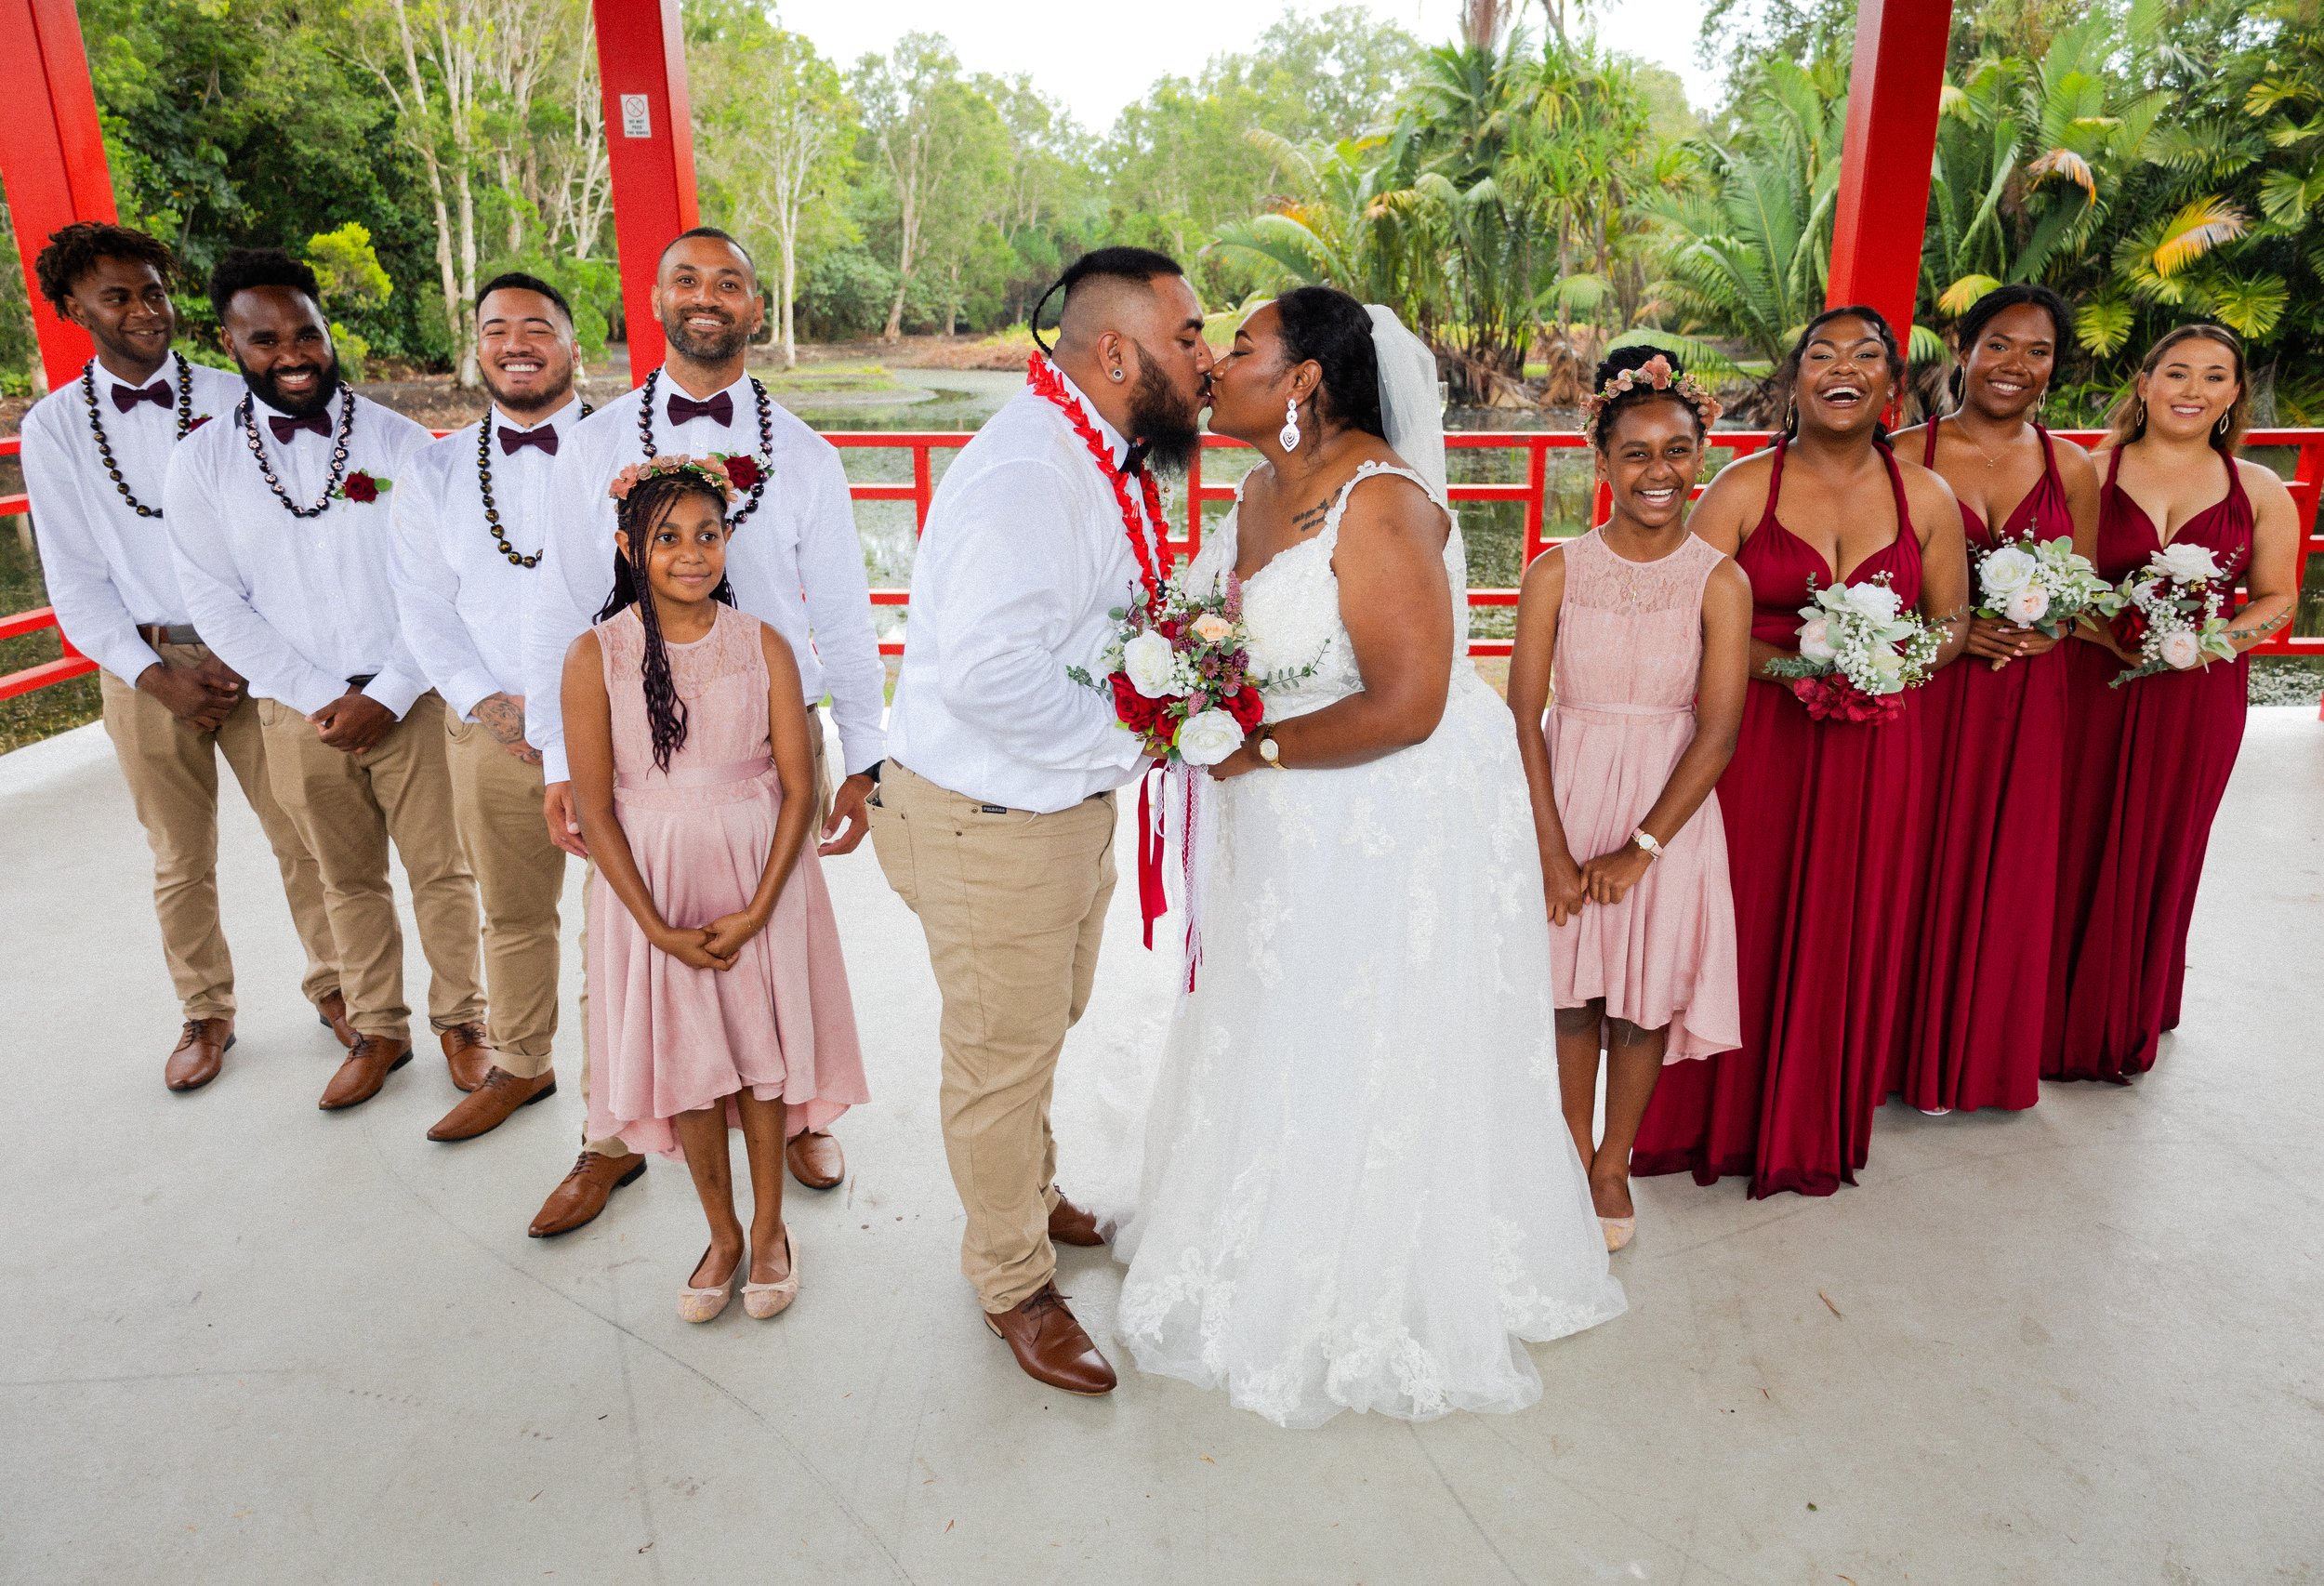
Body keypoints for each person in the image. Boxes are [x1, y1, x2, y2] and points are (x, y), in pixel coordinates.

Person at [1111, 286, 1626, 1428]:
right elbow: (1214, 635)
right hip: (1273, 815)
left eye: (1239, 345)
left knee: (1359, 1021)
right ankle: (1258, 1208)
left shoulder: (1381, 504)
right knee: (1272, 1011)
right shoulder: (1253, 490)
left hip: (1376, 814)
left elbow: (1409, 704)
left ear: (1302, 380)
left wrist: (1249, 747)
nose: (1214, 362)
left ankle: (1360, 1257)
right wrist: (1180, 700)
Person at [866, 246, 1212, 1396]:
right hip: (991, 820)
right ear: (1115, 354)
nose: (1206, 360)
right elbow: (985, 675)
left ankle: (1029, 1190)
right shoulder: (1028, 472)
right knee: (999, 1058)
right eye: (1188, 338)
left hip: (1052, 804)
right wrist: (1141, 735)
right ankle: (1011, 1278)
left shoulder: (1091, 451)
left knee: (1037, 1027)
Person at [522, 228, 885, 1237]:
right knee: (634, 939)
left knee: (778, 934)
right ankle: (612, 1136)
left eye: (730, 283)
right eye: (686, 278)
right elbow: (556, 606)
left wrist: (865, 756)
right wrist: (556, 757)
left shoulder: (805, 454)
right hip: (634, 740)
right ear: (656, 298)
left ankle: (797, 1108)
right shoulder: (592, 445)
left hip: (768, 735)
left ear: (756, 308)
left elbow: (844, 613)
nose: (707, 296)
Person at [1630, 306, 1969, 1197]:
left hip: (1876, 747)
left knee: (1848, 923)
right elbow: (1683, 616)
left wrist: (1888, 665)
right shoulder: (1742, 488)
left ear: (1892, 385)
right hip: (1757, 744)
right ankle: (1705, 1120)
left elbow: (1952, 622)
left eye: (1865, 355)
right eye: (1822, 354)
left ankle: (1812, 1123)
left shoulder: (1927, 498)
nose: (1842, 367)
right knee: (1738, 914)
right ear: (1796, 381)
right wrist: (1797, 669)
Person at [20, 222, 346, 1091]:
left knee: (302, 833)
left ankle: (339, 986)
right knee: (179, 856)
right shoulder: (55, 428)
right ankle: (206, 1010)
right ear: (74, 309)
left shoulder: (236, 393)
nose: (144, 310)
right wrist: (156, 676)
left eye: (154, 292)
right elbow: (74, 578)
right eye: (118, 297)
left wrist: (246, 645)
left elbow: (285, 531)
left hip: (255, 655)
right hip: (144, 662)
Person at [165, 247, 487, 1112]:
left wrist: (387, 691)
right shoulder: (200, 463)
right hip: (297, 711)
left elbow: (444, 584)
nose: (293, 354)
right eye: (265, 340)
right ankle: (379, 1030)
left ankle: (464, 1021)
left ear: (327, 330)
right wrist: (319, 696)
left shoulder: (403, 445)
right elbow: (216, 604)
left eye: (306, 333)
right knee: (342, 878)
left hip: (410, 696)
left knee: (443, 870)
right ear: (230, 345)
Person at [561, 456, 867, 1322]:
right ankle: (722, 1234)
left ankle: (770, 1230)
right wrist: (655, 928)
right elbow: (594, 808)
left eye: (708, 533)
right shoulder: (594, 656)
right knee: (690, 1060)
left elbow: (799, 789)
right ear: (629, 547)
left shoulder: (762, 644)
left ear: (730, 540)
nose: (691, 553)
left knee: (760, 1055)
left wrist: (762, 908)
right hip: (654, 888)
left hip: (756, 874)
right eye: (667, 537)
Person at [1508, 345, 1749, 1253]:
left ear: (1701, 454)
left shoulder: (1720, 579)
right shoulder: (1555, 570)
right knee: (1569, 991)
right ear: (1601, 460)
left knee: (1641, 998)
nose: (1659, 471)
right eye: (1637, 452)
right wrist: (1552, 849)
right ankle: (1570, 1150)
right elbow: (1522, 713)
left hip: (1667, 810)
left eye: (1677, 450)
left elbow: (1717, 733)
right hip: (1567, 795)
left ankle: (1614, 1161)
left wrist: (1640, 846)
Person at [2047, 324, 2299, 1082]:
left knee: (2164, 844)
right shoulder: (2086, 474)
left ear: (2234, 394)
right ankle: (2049, 1013)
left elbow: (2279, 598)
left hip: (2198, 698)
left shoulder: (2258, 489)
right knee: (2070, 835)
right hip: (2090, 684)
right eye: (2178, 372)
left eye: (2215, 376)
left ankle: (2129, 1006)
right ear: (2145, 383)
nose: (2193, 390)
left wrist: (2205, 644)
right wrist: (2111, 636)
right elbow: (2059, 589)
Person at [1889, 285, 2100, 1114]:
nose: (2017, 365)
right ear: (1964, 349)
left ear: (2054, 367)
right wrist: (1946, 628)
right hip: (1931, 693)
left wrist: (2056, 626)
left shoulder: (2070, 467)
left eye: (2038, 351)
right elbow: (1870, 577)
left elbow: (2080, 588)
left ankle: (1977, 1062)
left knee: (2007, 870)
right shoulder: (1903, 455)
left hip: (2026, 697)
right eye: (2000, 345)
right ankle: (1892, 1055)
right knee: (1912, 860)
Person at [391, 272, 588, 1141]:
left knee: (635, 924)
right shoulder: (432, 469)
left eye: (537, 327)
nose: (516, 343)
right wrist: (494, 709)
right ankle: (522, 1063)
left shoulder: (626, 449)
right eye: (495, 328)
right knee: (511, 914)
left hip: (615, 728)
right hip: (490, 731)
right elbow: (422, 607)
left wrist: (585, 717)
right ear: (476, 349)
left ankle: (636, 1096)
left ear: (573, 345)